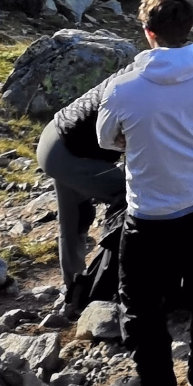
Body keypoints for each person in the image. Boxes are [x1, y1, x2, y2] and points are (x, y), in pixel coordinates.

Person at [96, 0, 193, 386]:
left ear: (147, 31)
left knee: (140, 302)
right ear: (190, 26)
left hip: (152, 211)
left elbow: (107, 139)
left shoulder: (122, 89)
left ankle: (158, 381)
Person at [37, 76, 127, 291]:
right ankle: (111, 272)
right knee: (130, 196)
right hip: (68, 153)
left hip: (56, 139)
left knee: (73, 221)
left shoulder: (131, 74)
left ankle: (74, 290)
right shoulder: (143, 87)